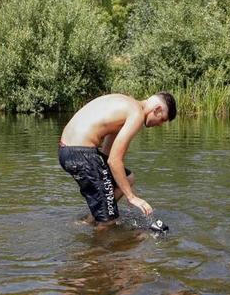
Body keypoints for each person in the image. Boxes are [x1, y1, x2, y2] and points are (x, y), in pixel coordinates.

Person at [58, 92, 177, 226]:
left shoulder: (127, 103)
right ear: (157, 109)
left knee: (128, 178)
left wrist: (124, 187)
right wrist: (131, 197)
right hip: (82, 155)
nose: (160, 125)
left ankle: (91, 219)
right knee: (109, 223)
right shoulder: (136, 114)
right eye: (162, 119)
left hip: (67, 151)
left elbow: (107, 153)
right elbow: (114, 161)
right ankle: (100, 232)